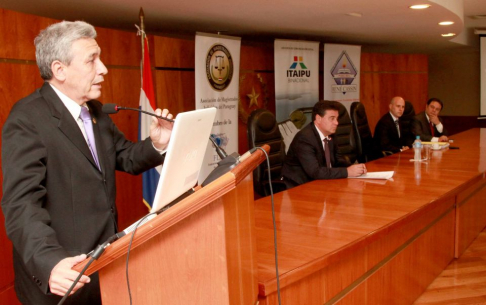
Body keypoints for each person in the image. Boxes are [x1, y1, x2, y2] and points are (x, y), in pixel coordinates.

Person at [1, 21, 173, 305]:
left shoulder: (94, 110)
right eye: (92, 60)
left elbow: (124, 156)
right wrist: (50, 263)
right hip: (64, 275)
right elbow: (21, 205)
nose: (104, 68)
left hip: (104, 265)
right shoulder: (27, 119)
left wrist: (158, 143)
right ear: (59, 70)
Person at [281, 100, 366, 188]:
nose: (336, 123)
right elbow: (315, 172)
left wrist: (354, 168)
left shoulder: (330, 134)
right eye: (332, 118)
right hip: (299, 187)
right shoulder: (304, 139)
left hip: (322, 182)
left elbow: (338, 159)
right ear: (318, 119)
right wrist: (347, 172)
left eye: (337, 119)